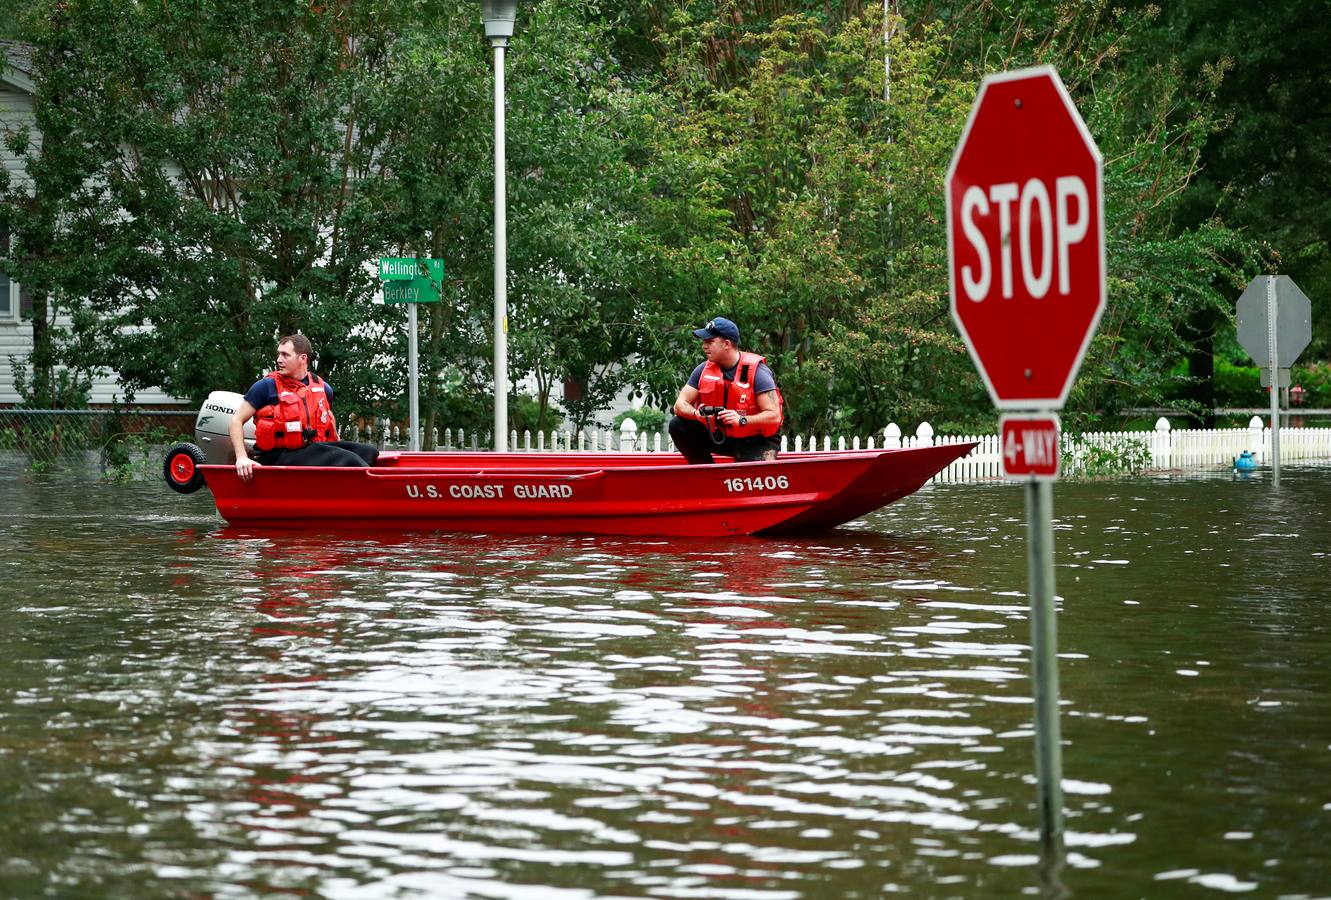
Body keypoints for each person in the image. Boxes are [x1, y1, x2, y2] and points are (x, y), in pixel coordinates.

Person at [230, 334, 379, 482]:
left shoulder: (323, 388)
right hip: (279, 455)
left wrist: (337, 443)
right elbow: (236, 420)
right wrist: (241, 457)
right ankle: (373, 492)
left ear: (303, 358)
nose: (278, 360)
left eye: (285, 355)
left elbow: (328, 419)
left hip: (312, 451)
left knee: (369, 452)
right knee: (349, 459)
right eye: (279, 354)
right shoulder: (265, 387)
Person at [669, 316, 784, 464]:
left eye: (710, 342)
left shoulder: (758, 373)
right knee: (677, 425)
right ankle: (704, 471)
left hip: (754, 439)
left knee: (749, 479)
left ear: (727, 344)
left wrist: (741, 420)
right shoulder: (703, 370)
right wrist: (697, 415)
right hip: (719, 436)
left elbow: (774, 416)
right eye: (704, 342)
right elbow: (679, 405)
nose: (704, 346)